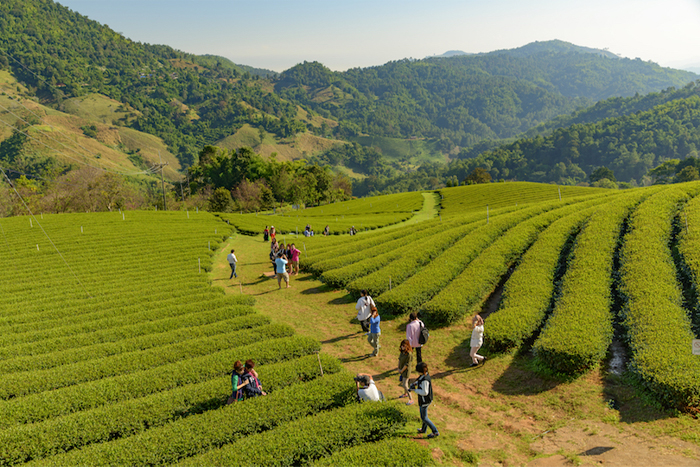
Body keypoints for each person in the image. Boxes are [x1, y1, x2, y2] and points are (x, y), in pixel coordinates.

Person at [410, 362, 439, 439]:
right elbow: (420, 380)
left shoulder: (425, 380)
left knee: (424, 418)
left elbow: (425, 392)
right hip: (424, 400)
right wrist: (415, 383)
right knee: (424, 416)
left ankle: (435, 431)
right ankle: (423, 429)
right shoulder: (424, 375)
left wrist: (415, 390)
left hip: (425, 400)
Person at [398, 339, 414, 405]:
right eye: (401, 346)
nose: (402, 347)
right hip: (401, 369)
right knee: (403, 383)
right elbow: (399, 360)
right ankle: (405, 394)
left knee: (405, 384)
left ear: (407, 346)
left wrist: (401, 370)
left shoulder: (409, 354)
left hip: (406, 371)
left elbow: (406, 365)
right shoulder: (402, 352)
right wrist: (398, 368)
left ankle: (411, 399)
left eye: (404, 346)